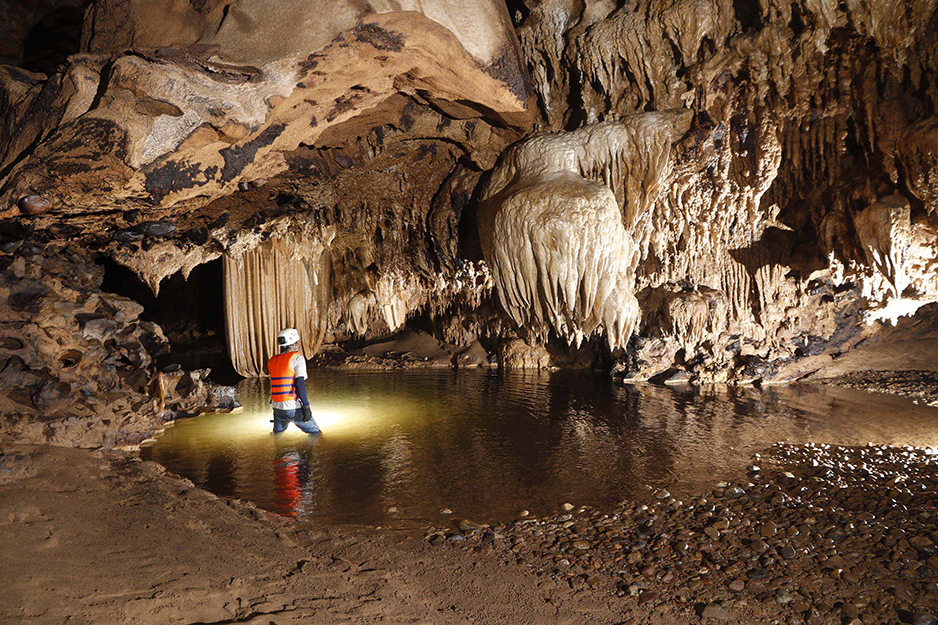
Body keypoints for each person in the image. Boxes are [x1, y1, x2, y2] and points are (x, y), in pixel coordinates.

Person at [268, 328, 320, 434]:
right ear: (295, 343)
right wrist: (306, 406)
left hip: (277, 407)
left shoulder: (272, 360)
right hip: (292, 407)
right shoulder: (297, 358)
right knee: (315, 433)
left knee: (277, 434)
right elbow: (300, 383)